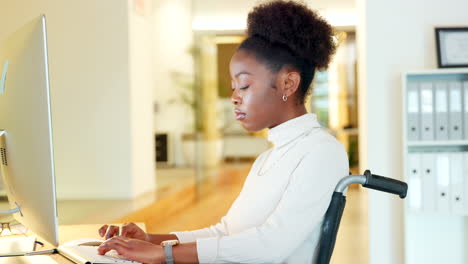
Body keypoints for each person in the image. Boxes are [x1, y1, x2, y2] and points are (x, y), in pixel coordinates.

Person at [97, 0, 349, 263]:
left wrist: (165, 254)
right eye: (233, 87)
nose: (234, 98)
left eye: (244, 86)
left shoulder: (322, 152)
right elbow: (226, 232)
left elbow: (271, 245)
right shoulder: (269, 158)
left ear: (288, 83)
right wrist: (151, 240)